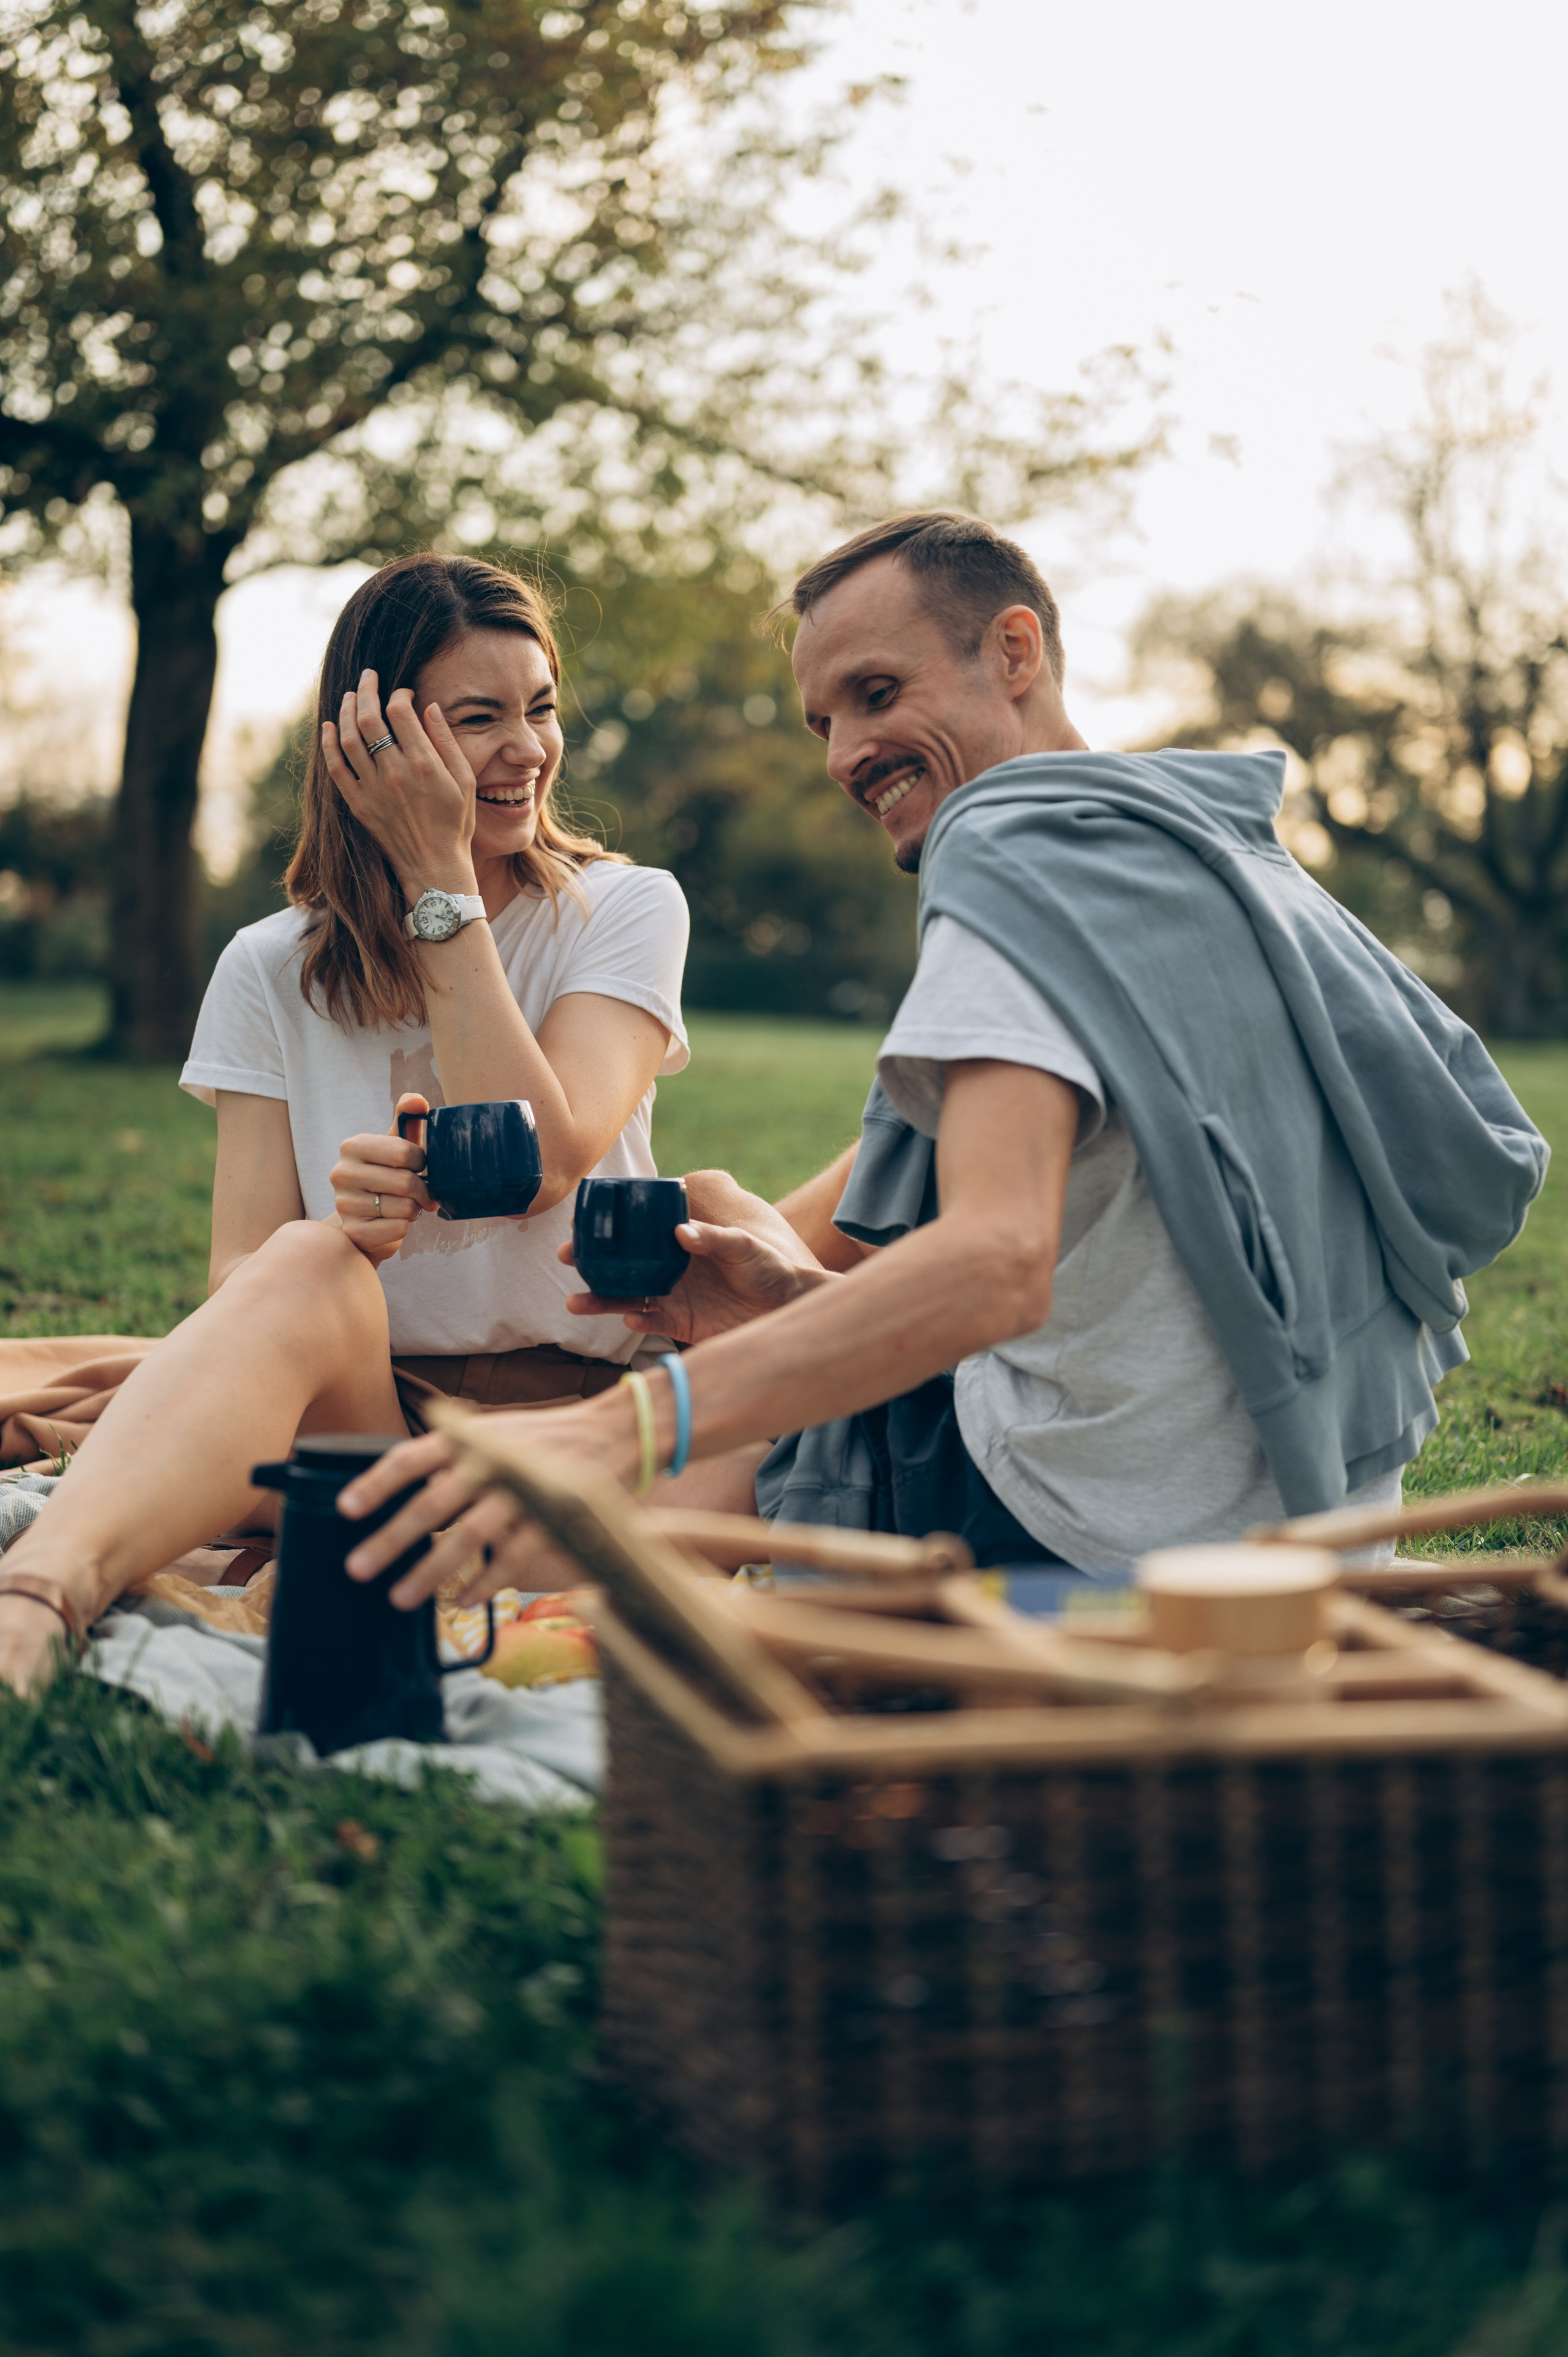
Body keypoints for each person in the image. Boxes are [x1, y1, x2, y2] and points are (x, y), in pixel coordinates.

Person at [337, 511, 1547, 1611]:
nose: (845, 752)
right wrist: (806, 1303)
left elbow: (995, 1265)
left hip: (1092, 1553)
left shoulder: (1010, 874)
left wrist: (632, 1427)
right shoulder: (1213, 863)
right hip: (1305, 1528)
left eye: (876, 692)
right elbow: (1125, 1272)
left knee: (738, 1432)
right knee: (768, 1319)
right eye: (825, 721)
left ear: (1014, 651)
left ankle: (387, 1567)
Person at [0, 552, 688, 1691]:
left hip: (578, 1428)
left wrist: (437, 875)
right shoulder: (269, 967)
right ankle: (38, 1599)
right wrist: (356, 1243)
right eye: (481, 719)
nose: (527, 749)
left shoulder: (621, 909)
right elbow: (240, 1281)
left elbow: (547, 1152)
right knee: (305, 1256)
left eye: (542, 709)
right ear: (373, 742)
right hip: (374, 1425)